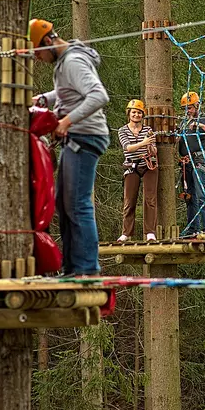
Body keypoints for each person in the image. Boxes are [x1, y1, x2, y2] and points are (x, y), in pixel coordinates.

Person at [30, 18, 110, 276]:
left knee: (77, 204)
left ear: (48, 41)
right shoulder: (65, 62)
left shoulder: (73, 61)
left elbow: (99, 95)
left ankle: (86, 270)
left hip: (84, 137)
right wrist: (43, 99)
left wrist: (66, 120)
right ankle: (73, 267)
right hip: (78, 137)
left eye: (37, 52)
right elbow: (66, 92)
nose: (38, 59)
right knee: (64, 203)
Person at [177, 91, 205, 237]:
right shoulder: (183, 122)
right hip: (186, 162)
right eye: (185, 109)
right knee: (189, 196)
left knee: (202, 194)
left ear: (197, 105)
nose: (188, 111)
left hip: (199, 160)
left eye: (190, 108)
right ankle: (193, 229)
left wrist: (201, 126)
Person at [117, 99, 158, 242]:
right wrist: (143, 143)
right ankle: (126, 233)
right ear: (129, 114)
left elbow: (153, 148)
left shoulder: (148, 130)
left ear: (143, 115)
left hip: (148, 165)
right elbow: (127, 148)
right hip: (131, 166)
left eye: (139, 113)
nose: (136, 115)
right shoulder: (123, 131)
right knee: (129, 200)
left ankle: (150, 232)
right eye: (134, 112)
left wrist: (151, 147)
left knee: (150, 199)